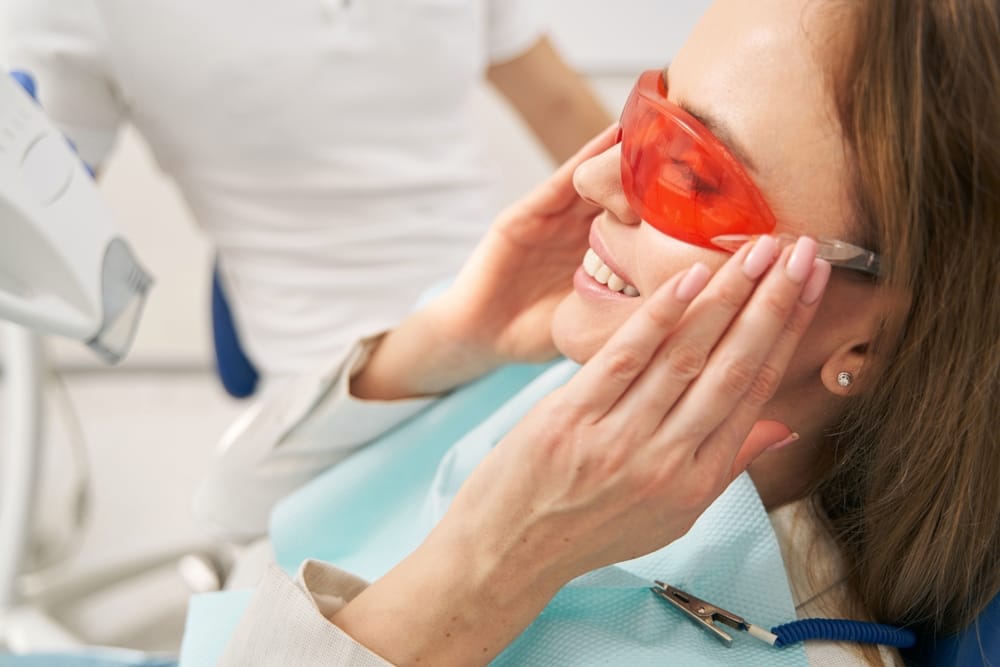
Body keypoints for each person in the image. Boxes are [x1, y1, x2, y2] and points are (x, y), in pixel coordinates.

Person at [190, 0, 998, 664]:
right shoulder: (573, 335)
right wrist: (446, 339)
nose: (594, 178)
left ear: (872, 342)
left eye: (689, 171)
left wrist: (493, 564)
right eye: (647, 113)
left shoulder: (783, 640)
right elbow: (231, 501)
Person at [0, 0, 610, 383]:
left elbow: (564, 111)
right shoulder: (75, 11)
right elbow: (45, 221)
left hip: (512, 314)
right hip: (328, 377)